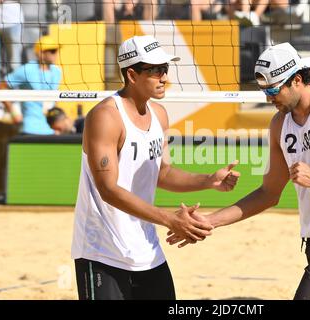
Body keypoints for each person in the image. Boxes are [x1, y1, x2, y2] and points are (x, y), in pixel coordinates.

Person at [167, 42, 310, 300]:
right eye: (263, 90)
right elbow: (268, 193)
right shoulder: (280, 124)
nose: (268, 98)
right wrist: (209, 221)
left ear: (296, 80)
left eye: (273, 90)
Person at [71, 35, 240, 300]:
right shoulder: (105, 117)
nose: (164, 77)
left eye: (165, 69)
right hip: (102, 251)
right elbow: (108, 189)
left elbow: (163, 173)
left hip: (146, 249)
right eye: (155, 70)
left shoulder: (159, 114)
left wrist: (208, 180)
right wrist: (170, 219)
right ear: (132, 74)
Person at [1, 35, 62, 135]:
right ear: (41, 53)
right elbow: (1, 87)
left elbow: (54, 100)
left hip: (50, 129)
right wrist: (14, 113)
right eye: (52, 51)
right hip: (29, 129)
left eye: (56, 50)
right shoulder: (26, 70)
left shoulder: (56, 71)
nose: (56, 54)